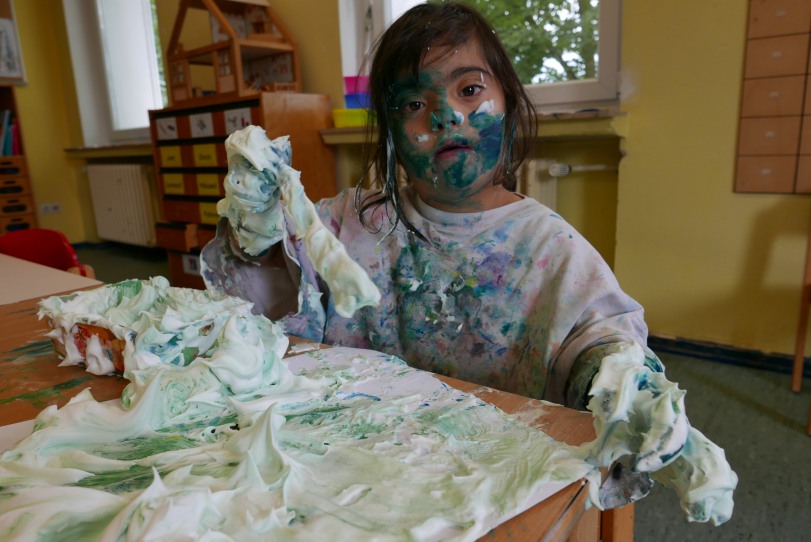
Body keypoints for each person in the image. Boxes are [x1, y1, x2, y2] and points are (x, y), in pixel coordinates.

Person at [202, 1, 736, 524]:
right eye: (413, 103)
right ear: (391, 134)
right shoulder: (347, 224)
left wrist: (617, 377)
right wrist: (258, 233)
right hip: (352, 467)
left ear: (511, 102)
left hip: (495, 484)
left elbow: (596, 337)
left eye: (470, 89)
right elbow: (266, 305)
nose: (443, 115)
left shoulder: (551, 248)